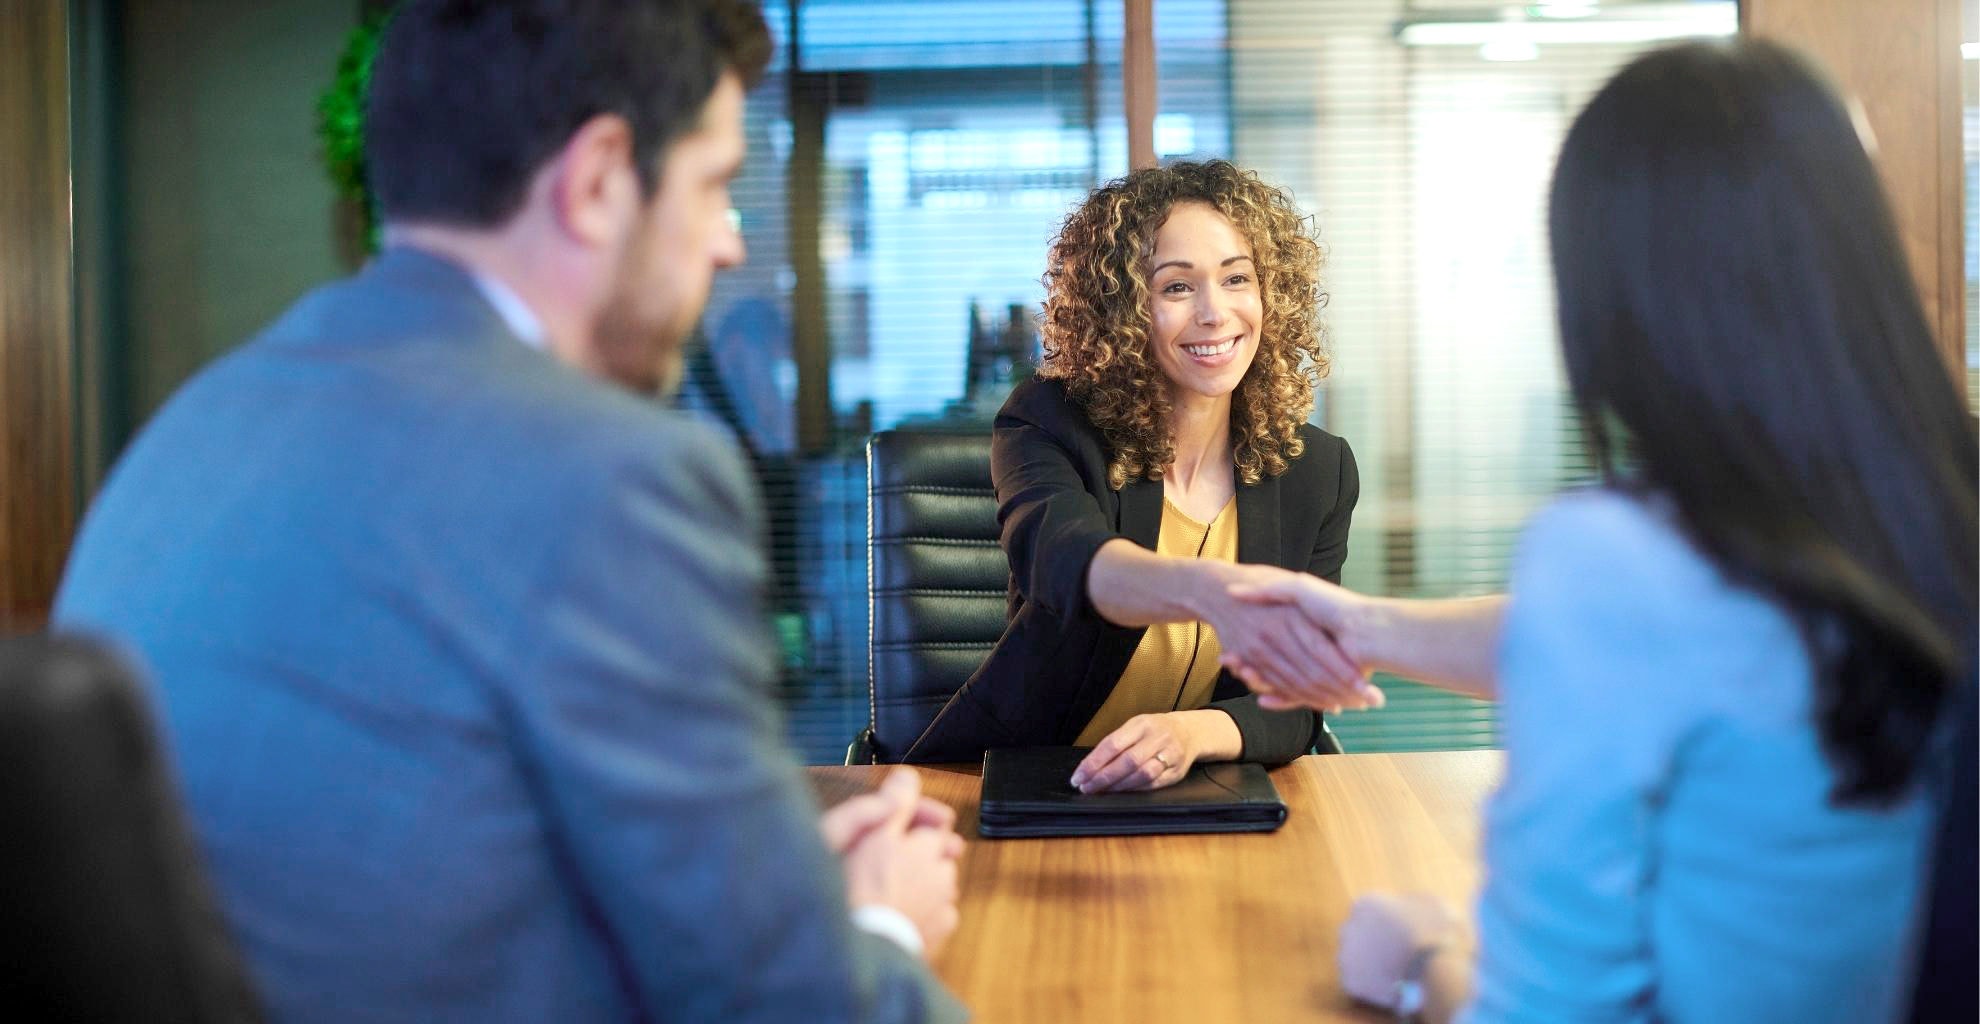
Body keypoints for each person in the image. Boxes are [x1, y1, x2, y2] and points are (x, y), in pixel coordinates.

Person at [53, 3, 966, 1022]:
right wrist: (880, 922)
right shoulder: (609, 473)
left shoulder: (197, 421)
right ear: (598, 181)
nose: (725, 245)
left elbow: (440, 829)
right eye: (715, 188)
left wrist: (771, 872)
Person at [1229, 40, 1977, 1023]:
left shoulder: (1621, 560)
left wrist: (1419, 963)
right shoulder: (1923, 503)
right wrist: (1367, 627)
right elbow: (1683, 643)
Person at [905, 160, 1381, 791]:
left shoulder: (1316, 471)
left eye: (1237, 278)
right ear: (1123, 309)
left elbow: (1295, 702)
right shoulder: (1047, 423)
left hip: (1199, 788)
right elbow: (1068, 561)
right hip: (1026, 775)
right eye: (1177, 288)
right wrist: (1207, 590)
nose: (1215, 313)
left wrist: (1192, 734)